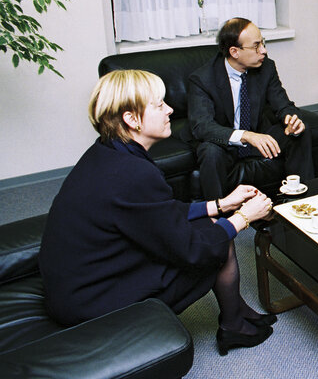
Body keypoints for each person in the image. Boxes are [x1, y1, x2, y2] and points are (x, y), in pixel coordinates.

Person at [39, 70, 277, 356]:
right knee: (217, 240)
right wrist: (244, 217)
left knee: (213, 223)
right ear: (131, 119)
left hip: (82, 280)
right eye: (159, 104)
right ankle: (233, 324)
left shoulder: (109, 151)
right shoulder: (132, 172)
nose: (170, 110)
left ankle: (235, 312)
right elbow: (193, 250)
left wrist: (221, 204)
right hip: (91, 299)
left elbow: (156, 211)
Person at [187, 17, 314, 199]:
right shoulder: (202, 79)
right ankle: (219, 218)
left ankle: (304, 201)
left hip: (258, 134)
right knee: (210, 151)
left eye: (263, 42)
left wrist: (291, 119)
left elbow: (283, 104)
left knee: (300, 132)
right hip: (226, 142)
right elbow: (203, 126)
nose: (263, 50)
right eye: (256, 46)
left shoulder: (266, 67)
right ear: (234, 51)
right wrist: (247, 136)